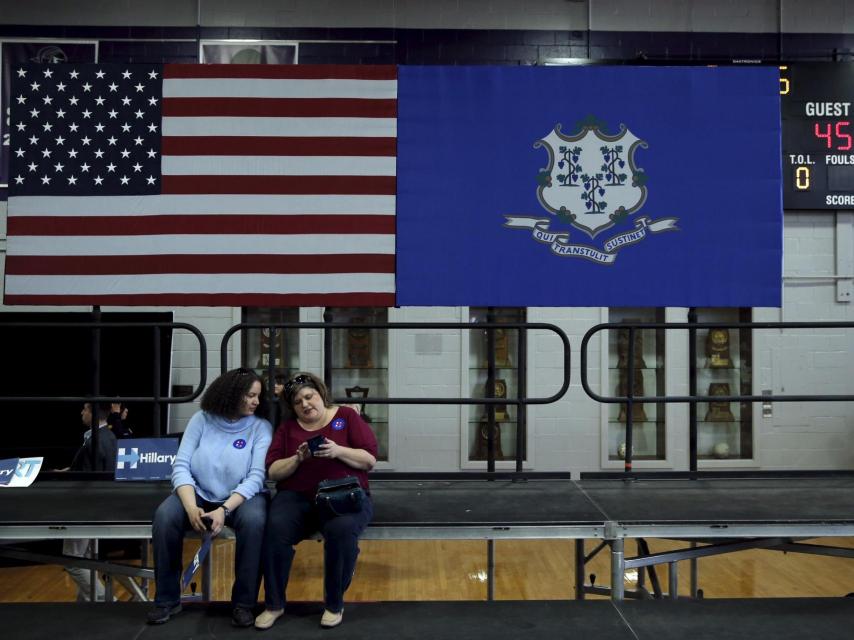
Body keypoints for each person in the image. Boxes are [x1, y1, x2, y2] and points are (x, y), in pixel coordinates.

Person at [147, 368, 272, 626]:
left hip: (241, 498)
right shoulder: (201, 420)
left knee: (255, 522)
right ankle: (167, 601)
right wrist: (191, 506)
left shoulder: (261, 427)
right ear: (232, 394)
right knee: (164, 516)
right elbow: (180, 466)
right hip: (199, 494)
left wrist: (224, 510)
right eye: (250, 395)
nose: (256, 402)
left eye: (258, 396)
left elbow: (256, 476)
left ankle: (243, 603)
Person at [255, 372, 377, 630]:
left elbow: (369, 460)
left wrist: (338, 451)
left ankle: (334, 603)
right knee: (276, 528)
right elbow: (273, 471)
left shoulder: (347, 416)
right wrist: (297, 459)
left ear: (320, 394)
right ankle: (274, 604)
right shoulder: (288, 429)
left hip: (342, 494)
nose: (305, 404)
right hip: (297, 497)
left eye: (309, 397)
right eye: (298, 402)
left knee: (341, 531)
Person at [62, 401, 118, 601]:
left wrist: (66, 478)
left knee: (72, 560)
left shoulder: (96, 441)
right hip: (97, 506)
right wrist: (69, 472)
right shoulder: (108, 437)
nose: (81, 412)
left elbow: (87, 479)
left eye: (84, 409)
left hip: (85, 509)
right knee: (84, 559)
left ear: (93, 413)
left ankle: (105, 600)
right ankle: (85, 605)